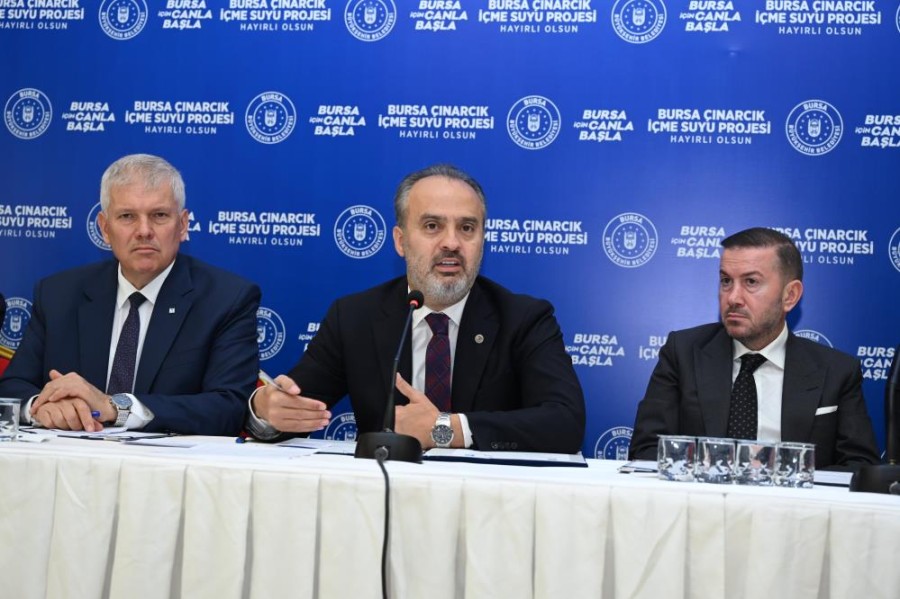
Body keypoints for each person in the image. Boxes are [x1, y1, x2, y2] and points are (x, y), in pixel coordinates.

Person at [247, 164, 585, 453]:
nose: (451, 243)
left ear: (482, 240)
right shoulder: (354, 317)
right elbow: (295, 407)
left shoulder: (523, 319)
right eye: (432, 226)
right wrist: (265, 411)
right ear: (400, 240)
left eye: (467, 228)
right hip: (385, 496)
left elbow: (565, 423)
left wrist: (445, 429)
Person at [0, 154, 261, 435]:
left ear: (183, 225)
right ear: (105, 228)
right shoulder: (58, 294)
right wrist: (40, 407)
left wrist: (116, 407)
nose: (144, 231)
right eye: (127, 216)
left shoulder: (227, 299)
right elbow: (12, 387)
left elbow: (228, 407)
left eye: (159, 215)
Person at [629, 227, 880, 469]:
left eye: (751, 281)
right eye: (726, 281)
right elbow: (646, 451)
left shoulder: (836, 371)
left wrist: (790, 481)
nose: (733, 297)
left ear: (790, 296)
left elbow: (859, 467)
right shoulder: (683, 353)